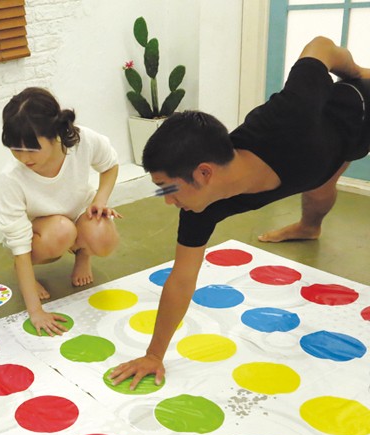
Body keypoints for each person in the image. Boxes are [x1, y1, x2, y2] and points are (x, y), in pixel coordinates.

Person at [110, 36, 370, 389]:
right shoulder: (200, 207)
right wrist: (154, 355)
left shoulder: (288, 116)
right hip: (328, 153)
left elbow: (320, 46)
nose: (168, 201)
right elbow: (182, 278)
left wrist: (358, 72)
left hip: (360, 106)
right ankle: (310, 227)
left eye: (168, 188)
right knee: (319, 183)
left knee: (317, 177)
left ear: (204, 172)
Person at [0, 87, 121, 336]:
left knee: (103, 237)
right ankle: (24, 274)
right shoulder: (12, 177)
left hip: (76, 215)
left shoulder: (82, 141)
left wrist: (100, 199)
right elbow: (19, 243)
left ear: (55, 134)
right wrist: (35, 310)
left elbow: (110, 164)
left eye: (31, 149)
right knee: (61, 231)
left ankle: (83, 256)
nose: (23, 158)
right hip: (40, 232)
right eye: (15, 149)